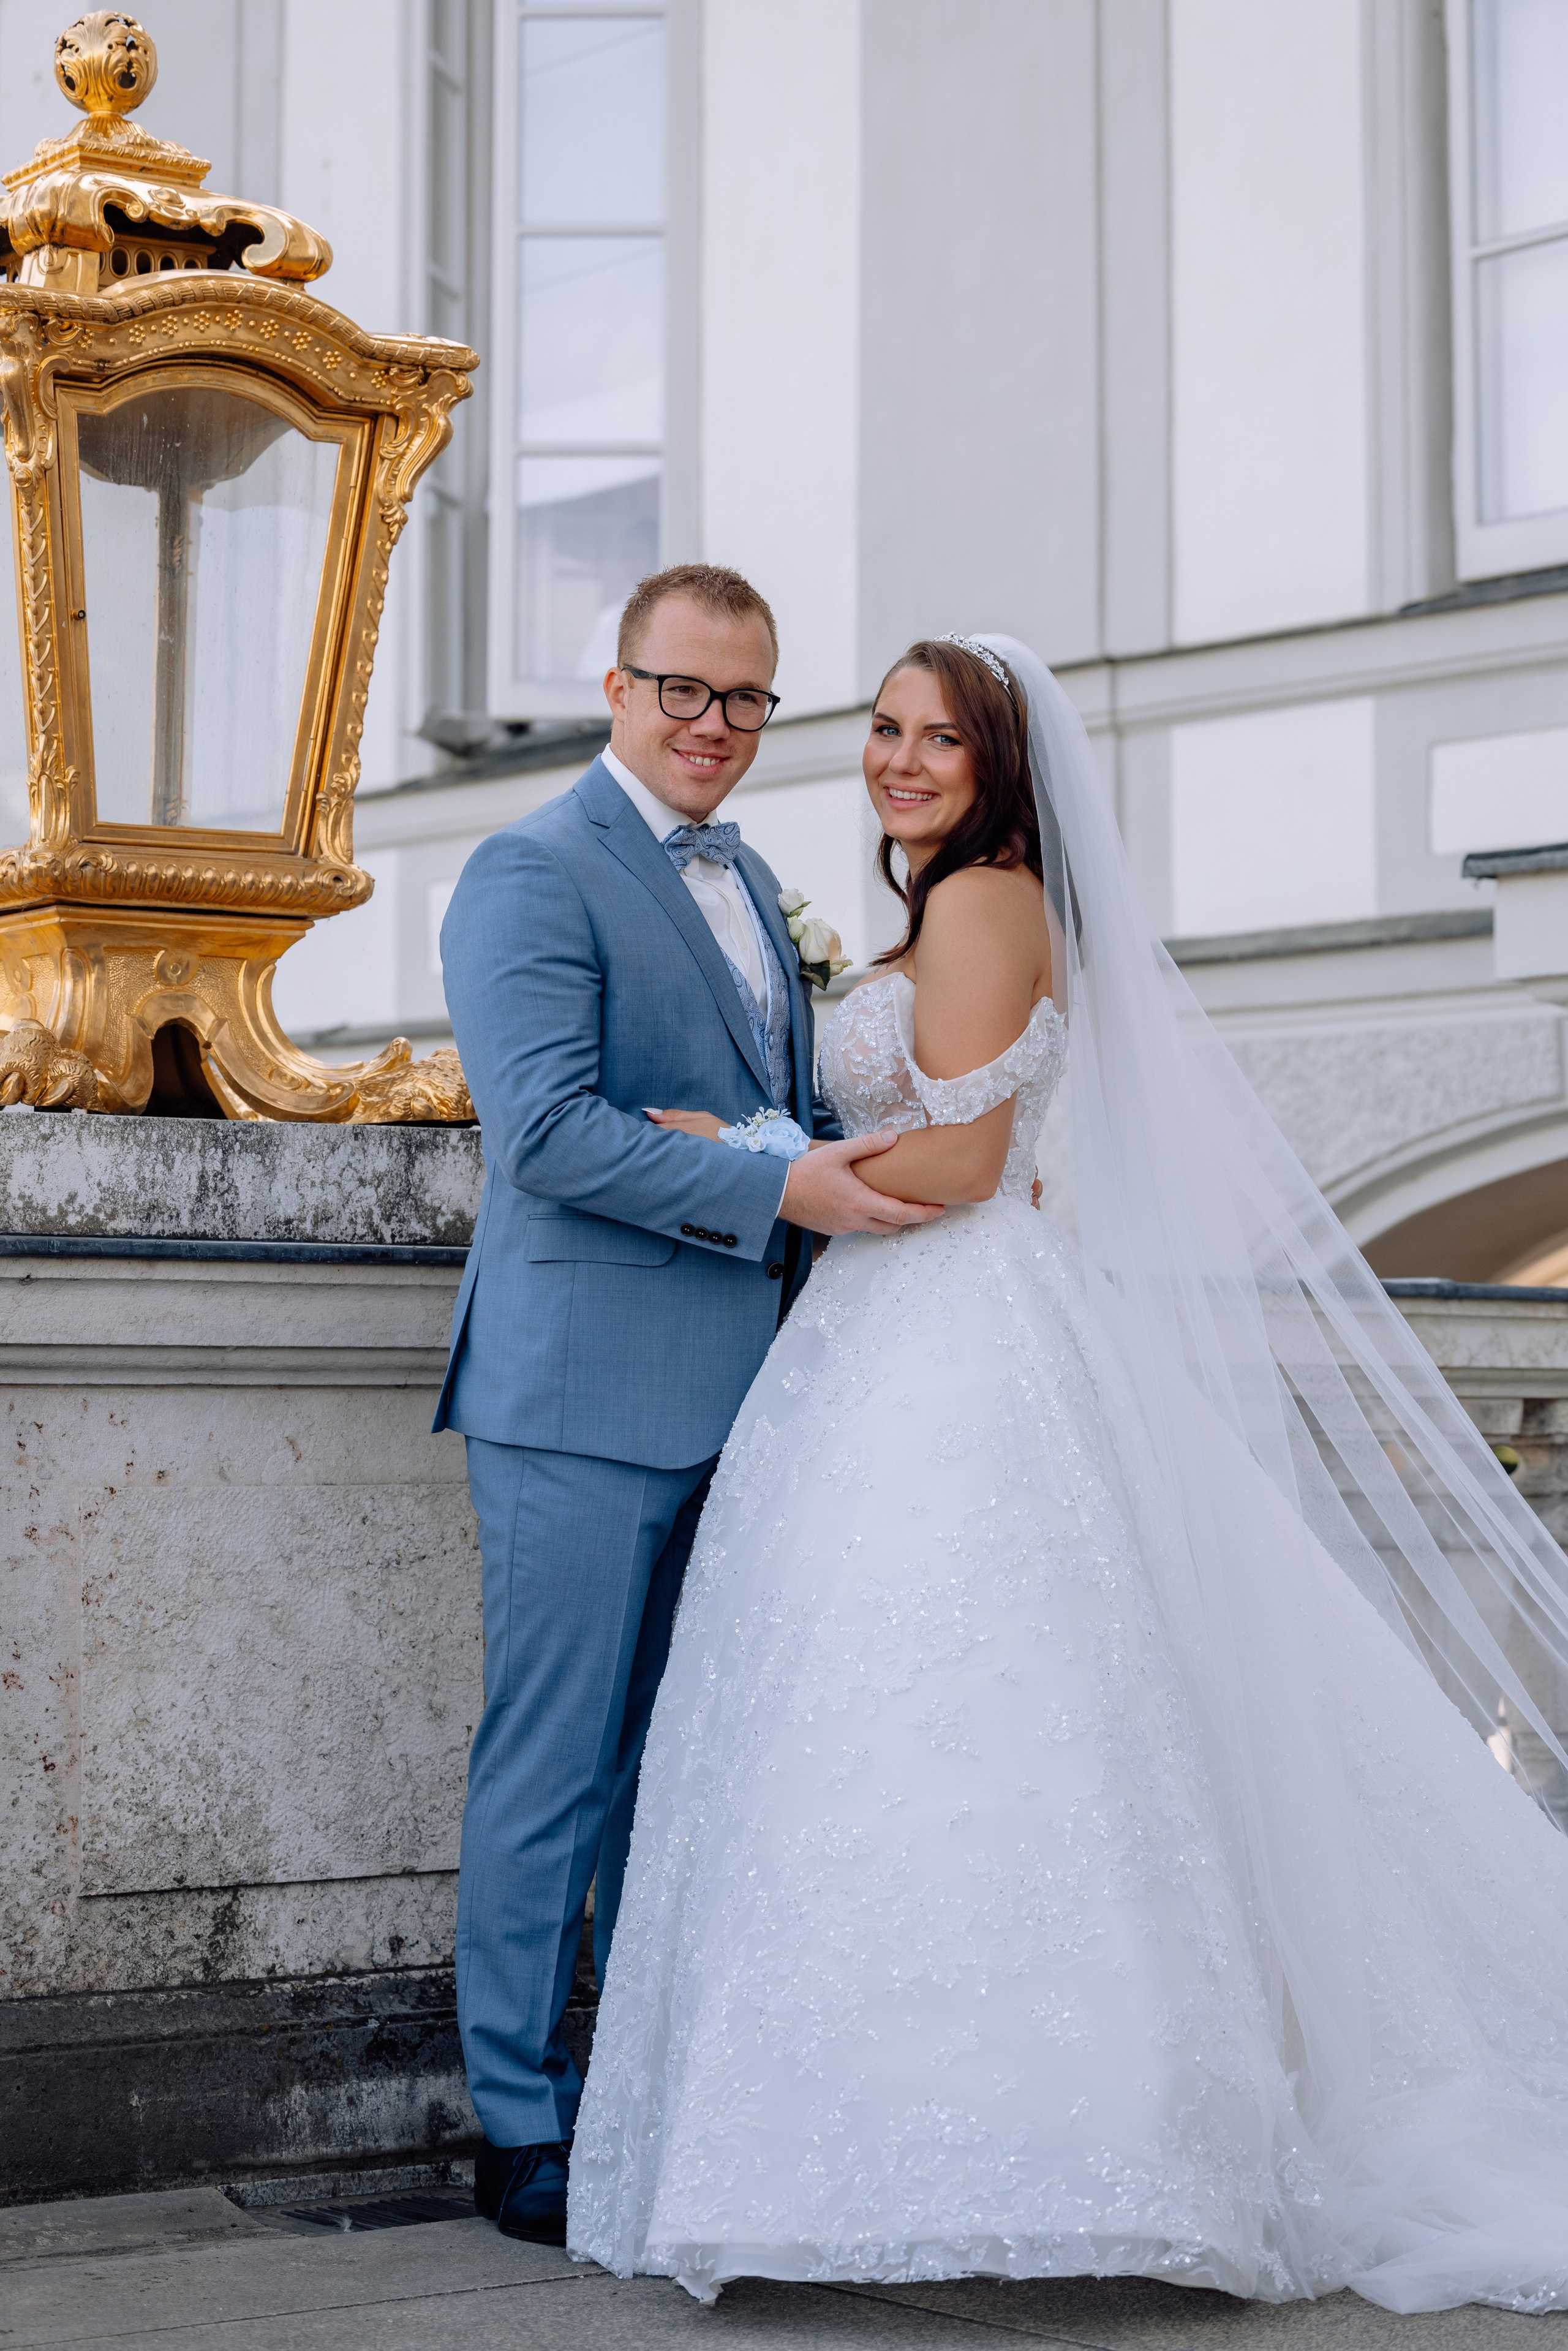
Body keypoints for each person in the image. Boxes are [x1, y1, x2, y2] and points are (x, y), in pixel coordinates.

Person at [568, 633, 1568, 2315]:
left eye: (939, 740)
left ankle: (985, 2150)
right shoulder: (960, 904)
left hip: (944, 1331)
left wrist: (736, 1150)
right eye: (884, 729)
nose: (898, 761)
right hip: (903, 1325)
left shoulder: (983, 899)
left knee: (950, 1697)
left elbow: (965, 1161)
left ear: (1001, 768)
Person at [434, 564, 942, 2247]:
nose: (713, 725)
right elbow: (546, 1135)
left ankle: (648, 2095)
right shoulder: (530, 868)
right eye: (683, 690)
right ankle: (521, 2123)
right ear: (617, 687)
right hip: (579, 1398)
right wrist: (779, 1186)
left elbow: (768, 1113)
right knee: (554, 1765)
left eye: (745, 699)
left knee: (684, 1768)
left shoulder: (753, 884)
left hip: (754, 1405)